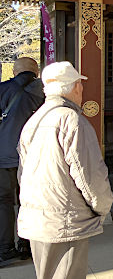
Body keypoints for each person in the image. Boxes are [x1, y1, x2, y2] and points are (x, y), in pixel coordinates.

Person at [17, 62, 113, 279]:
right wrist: (102, 207)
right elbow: (89, 175)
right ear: (76, 87)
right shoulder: (71, 120)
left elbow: (22, 173)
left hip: (37, 217)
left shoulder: (34, 120)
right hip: (64, 219)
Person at [0, 57, 44, 266]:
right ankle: (27, 245)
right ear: (36, 71)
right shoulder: (44, 91)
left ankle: (5, 248)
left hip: (4, 156)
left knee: (4, 201)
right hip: (34, 156)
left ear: (15, 71)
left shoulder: (3, 89)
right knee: (28, 201)